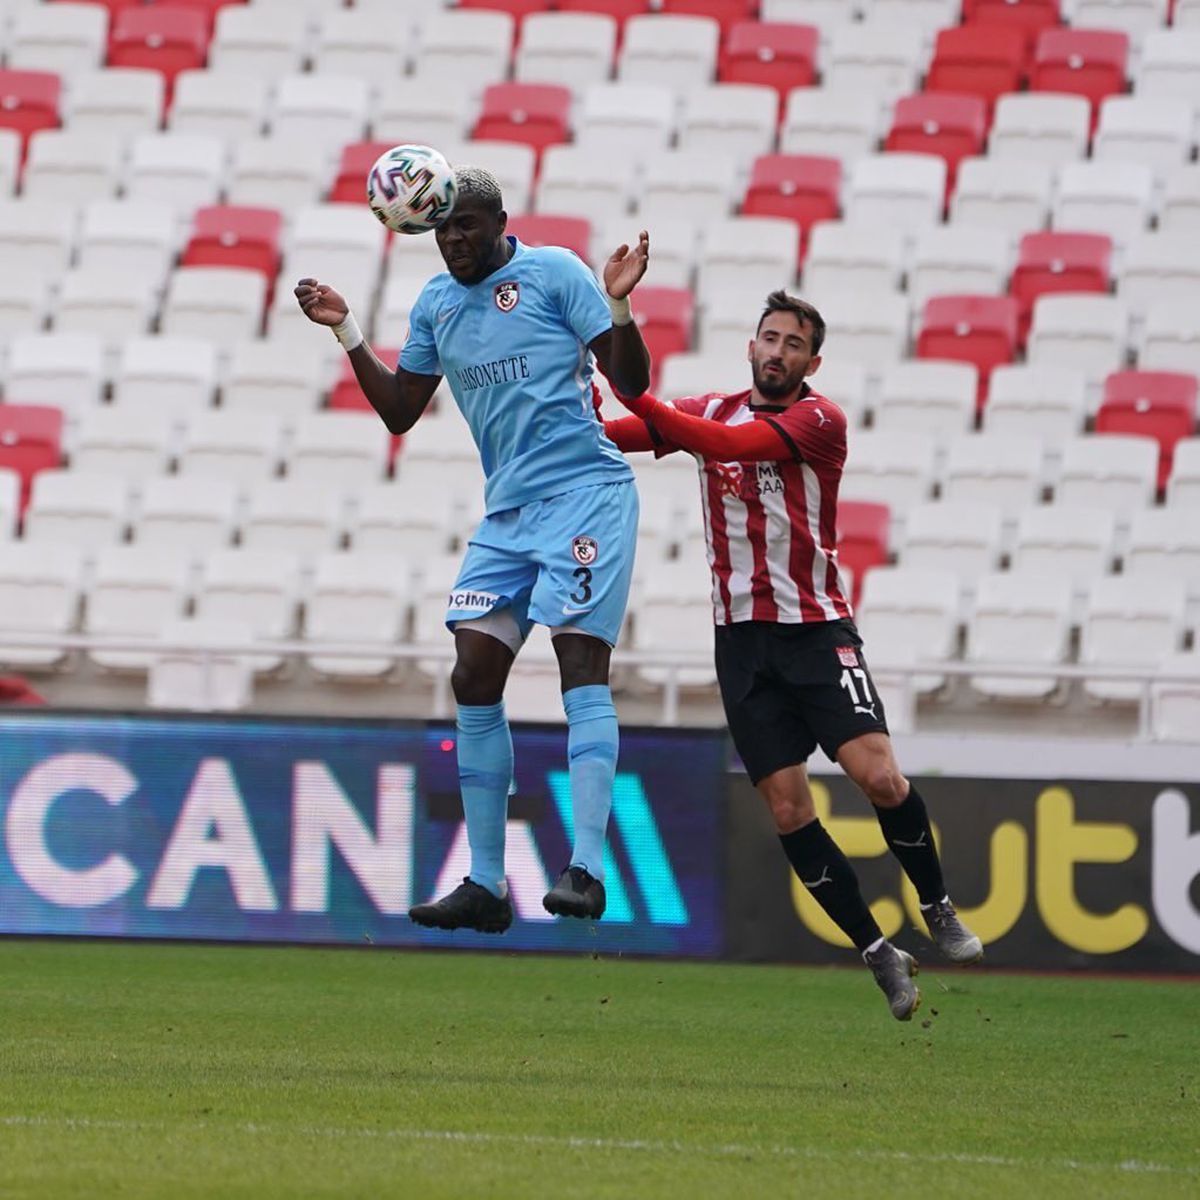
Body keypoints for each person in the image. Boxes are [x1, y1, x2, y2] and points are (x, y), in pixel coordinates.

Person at [600, 289, 982, 1021]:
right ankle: (878, 952)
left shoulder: (819, 420)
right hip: (741, 641)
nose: (777, 352)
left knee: (880, 776)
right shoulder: (709, 408)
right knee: (786, 807)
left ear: (812, 361)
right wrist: (579, 403)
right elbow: (632, 435)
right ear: (750, 346)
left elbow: (727, 448)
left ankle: (935, 904)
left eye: (792, 344)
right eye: (768, 338)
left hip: (816, 631)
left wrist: (634, 393)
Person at [296, 167, 652, 935]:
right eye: (442, 229)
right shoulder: (434, 305)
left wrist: (619, 305)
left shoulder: (554, 273)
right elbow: (400, 412)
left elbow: (632, 385)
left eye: (466, 227)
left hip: (586, 493)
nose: (453, 240)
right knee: (472, 670)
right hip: (509, 516)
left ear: (497, 223)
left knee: (579, 662)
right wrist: (346, 330)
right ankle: (488, 883)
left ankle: (586, 869)